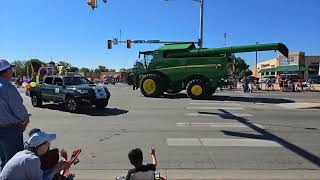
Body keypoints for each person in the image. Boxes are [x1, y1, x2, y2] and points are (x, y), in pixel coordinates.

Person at [0, 131, 70, 180]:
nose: (49, 145)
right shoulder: (33, 159)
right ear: (40, 146)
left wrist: (55, 168)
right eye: (48, 143)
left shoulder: (22, 153)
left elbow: (39, 175)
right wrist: (56, 170)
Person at [0, 59, 30, 170]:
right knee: (14, 163)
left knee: (4, 161)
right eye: (11, 69)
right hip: (10, 130)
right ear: (6, 71)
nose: (12, 72)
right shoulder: (8, 88)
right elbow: (18, 109)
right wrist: (26, 120)